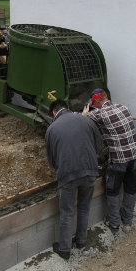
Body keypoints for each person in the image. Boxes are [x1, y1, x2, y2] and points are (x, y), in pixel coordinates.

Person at [45, 100, 104, 259]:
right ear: (68, 109)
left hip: (68, 175)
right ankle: (81, 241)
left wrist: (63, 168)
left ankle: (64, 249)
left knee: (67, 211)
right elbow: (99, 145)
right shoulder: (86, 120)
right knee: (84, 207)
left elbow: (52, 159)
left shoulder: (51, 129)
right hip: (90, 171)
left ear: (54, 113)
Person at [87, 89, 136, 230]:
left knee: (112, 190)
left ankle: (114, 223)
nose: (95, 107)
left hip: (119, 159)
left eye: (95, 104)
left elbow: (82, 117)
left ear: (99, 101)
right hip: (135, 155)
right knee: (131, 188)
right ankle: (127, 219)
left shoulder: (99, 114)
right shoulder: (123, 107)